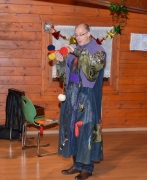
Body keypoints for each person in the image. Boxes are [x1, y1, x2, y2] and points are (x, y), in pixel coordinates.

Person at [55, 23, 106, 180]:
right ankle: (77, 164)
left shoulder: (99, 51)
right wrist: (61, 61)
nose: (78, 38)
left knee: (87, 131)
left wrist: (75, 51)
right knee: (71, 129)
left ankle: (87, 168)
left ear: (89, 34)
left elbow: (91, 70)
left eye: (81, 34)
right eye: (76, 35)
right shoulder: (73, 53)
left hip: (87, 96)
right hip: (71, 94)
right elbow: (64, 77)